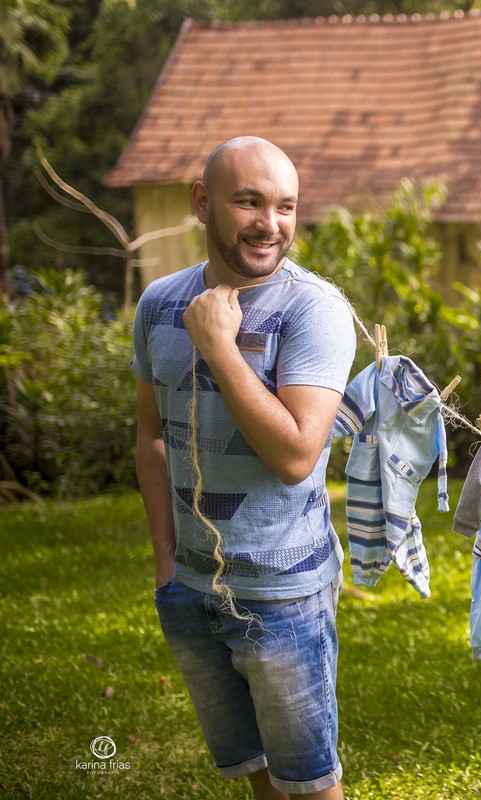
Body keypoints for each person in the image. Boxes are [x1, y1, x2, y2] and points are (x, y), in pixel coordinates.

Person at [133, 136, 356, 799]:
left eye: (285, 206)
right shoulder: (158, 303)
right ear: (203, 203)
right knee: (253, 771)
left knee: (309, 784)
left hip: (283, 595)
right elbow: (150, 437)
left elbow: (294, 456)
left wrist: (219, 348)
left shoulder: (314, 310)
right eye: (249, 201)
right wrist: (166, 565)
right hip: (191, 591)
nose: (271, 223)